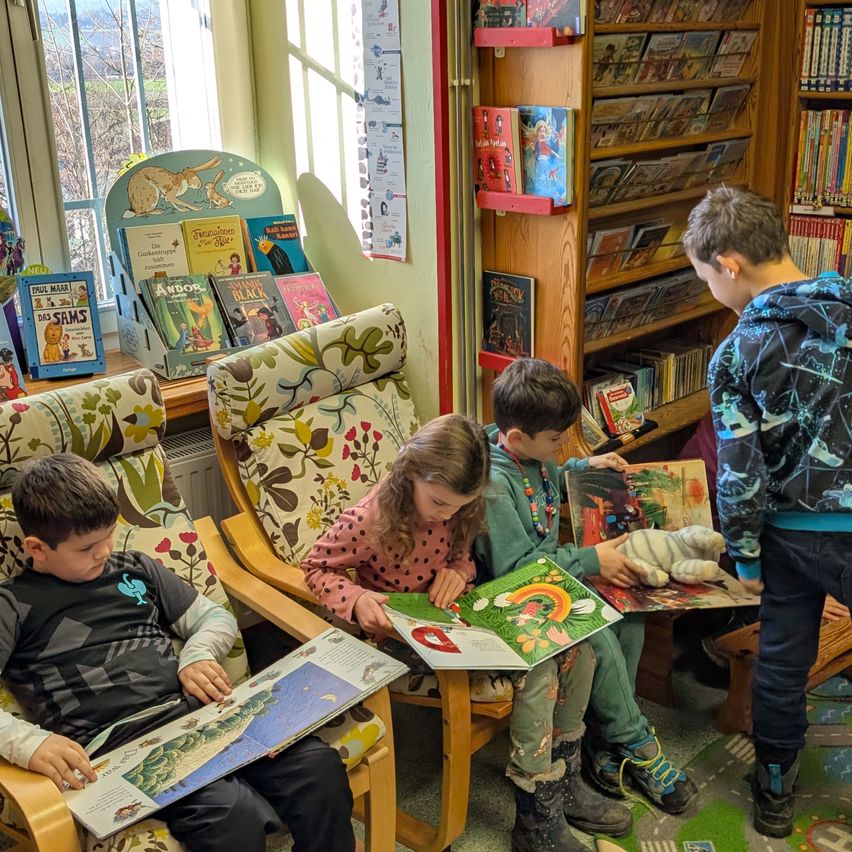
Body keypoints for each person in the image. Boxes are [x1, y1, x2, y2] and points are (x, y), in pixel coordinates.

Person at [302, 413, 629, 851]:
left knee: (578, 650)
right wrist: (358, 600)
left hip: (457, 622)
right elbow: (316, 568)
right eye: (439, 504)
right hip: (399, 644)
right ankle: (535, 814)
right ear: (411, 473)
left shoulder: (459, 503)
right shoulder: (370, 519)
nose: (448, 514)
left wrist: (457, 569)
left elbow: (463, 556)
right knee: (539, 674)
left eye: (459, 505)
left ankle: (563, 780)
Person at [0, 454, 355, 852]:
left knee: (316, 768)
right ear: (37, 548)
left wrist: (198, 655)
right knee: (232, 815)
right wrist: (30, 744)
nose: (104, 553)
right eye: (86, 548)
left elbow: (214, 618)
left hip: (197, 715)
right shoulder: (12, 605)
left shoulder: (133, 568)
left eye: (109, 536)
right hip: (121, 749)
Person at [683, 186, 852, 838]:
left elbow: (740, 471)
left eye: (705, 279)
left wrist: (745, 554)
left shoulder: (736, 353)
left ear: (728, 263)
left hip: (786, 539)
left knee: (782, 664)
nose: (711, 293)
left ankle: (776, 791)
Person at [473, 358, 698, 825]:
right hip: (514, 598)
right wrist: (592, 560)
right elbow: (515, 568)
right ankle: (636, 740)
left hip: (551, 581)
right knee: (596, 631)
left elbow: (546, 480)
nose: (560, 449)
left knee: (630, 612)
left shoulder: (528, 455)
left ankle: (604, 735)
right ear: (515, 438)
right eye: (557, 441)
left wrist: (581, 465)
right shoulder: (494, 484)